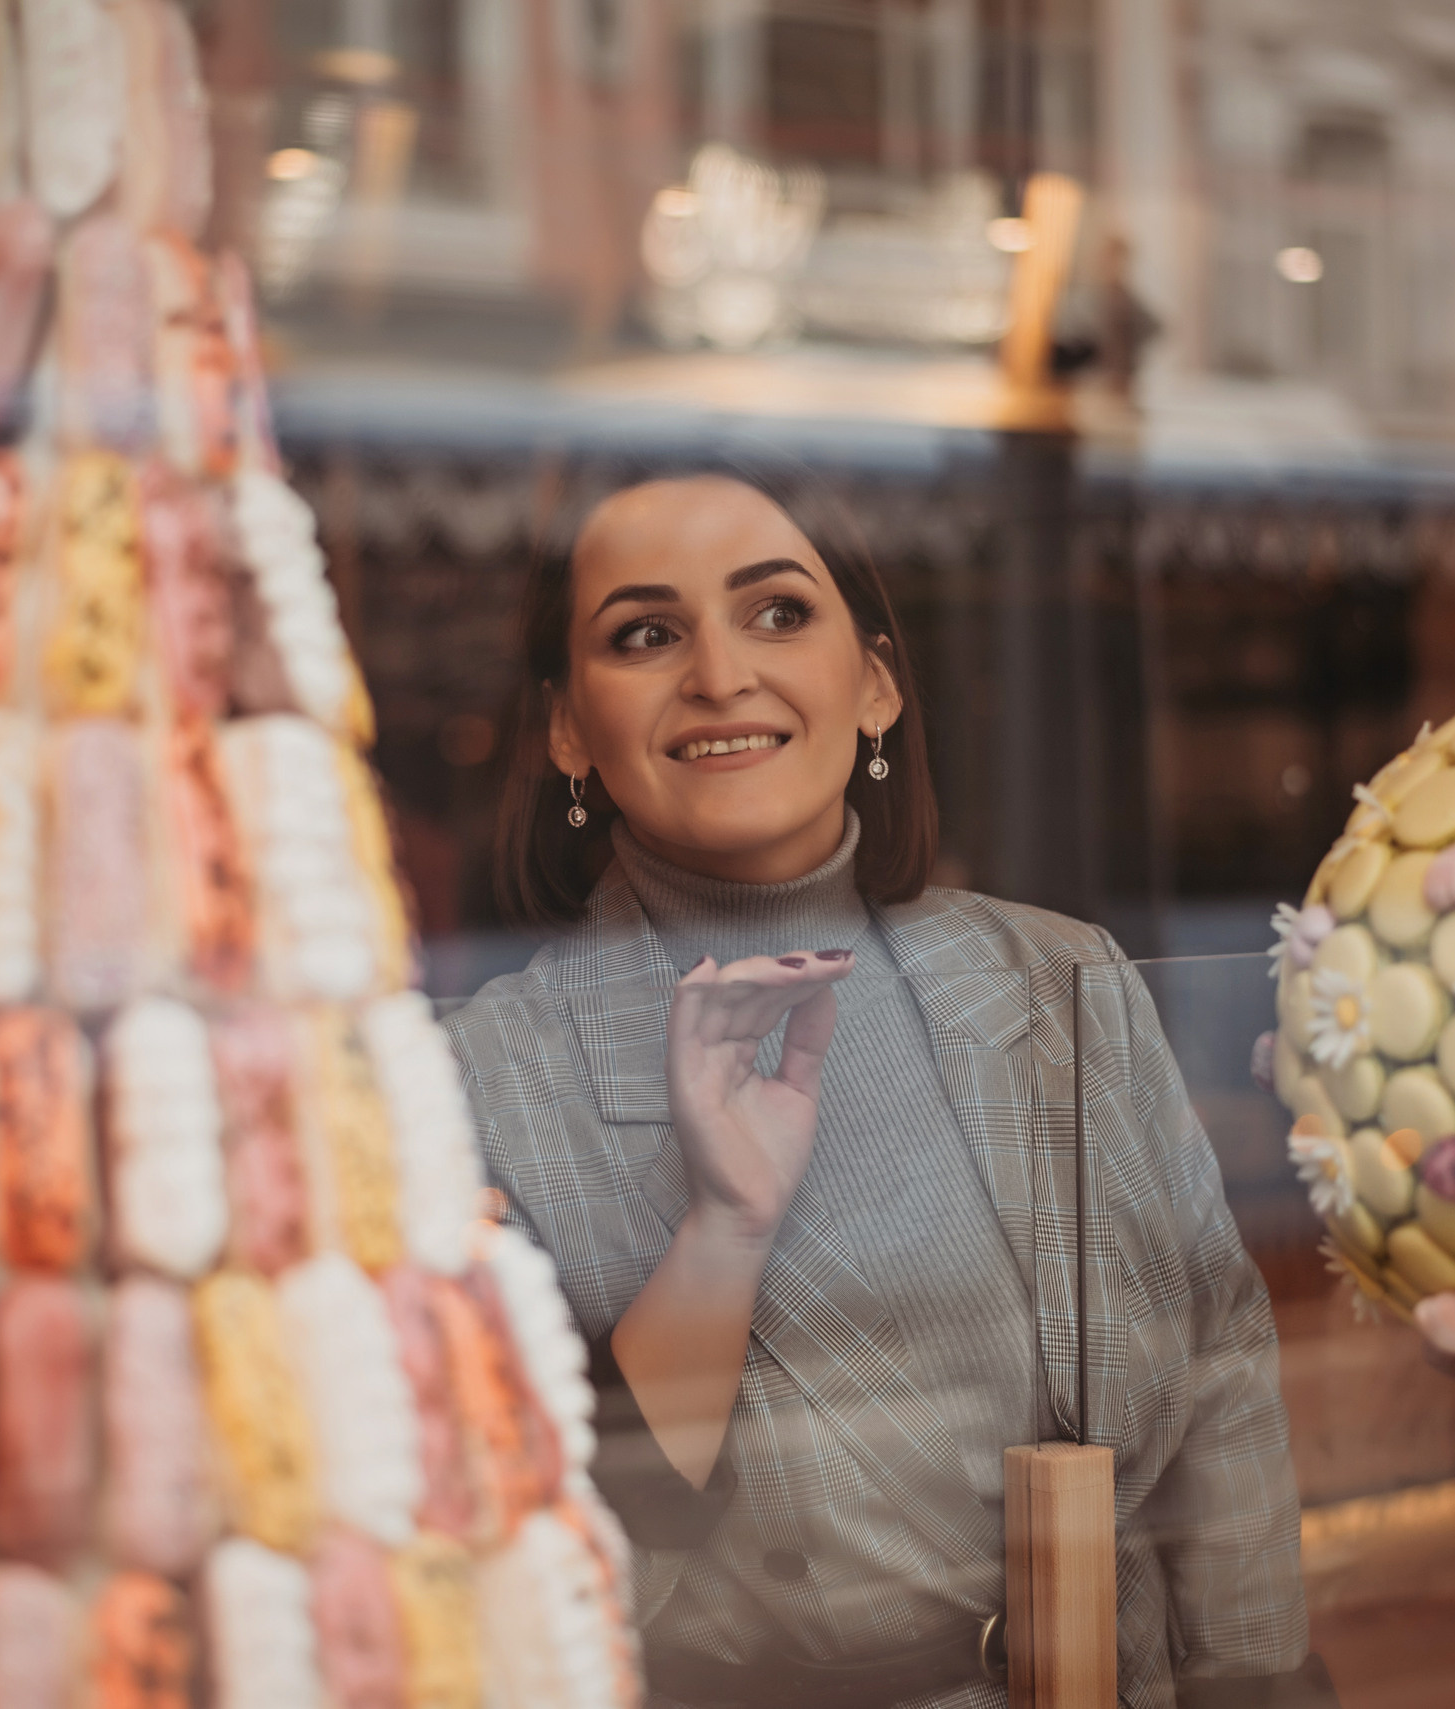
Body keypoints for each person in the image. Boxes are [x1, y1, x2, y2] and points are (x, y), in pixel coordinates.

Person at [442, 454, 1326, 1708]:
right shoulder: (476, 1083)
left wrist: (1257, 1683)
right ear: (566, 726)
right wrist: (723, 1228)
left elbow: (1219, 1380)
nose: (719, 674)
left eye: (777, 610)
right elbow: (532, 1530)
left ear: (875, 683)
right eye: (645, 632)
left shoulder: (1056, 976)